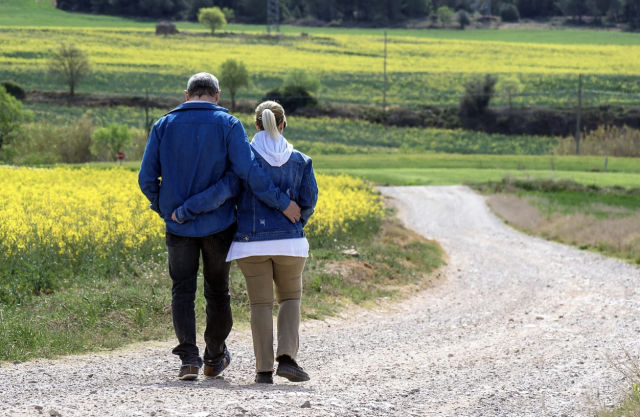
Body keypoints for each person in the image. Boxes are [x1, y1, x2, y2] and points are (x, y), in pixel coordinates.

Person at [138, 73, 301, 381]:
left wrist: (169, 211)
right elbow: (246, 173)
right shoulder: (229, 125)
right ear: (217, 95)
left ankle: (188, 360)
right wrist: (280, 202)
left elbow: (146, 179)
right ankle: (214, 358)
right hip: (219, 225)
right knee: (218, 292)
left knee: (182, 290)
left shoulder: (163, 125)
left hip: (178, 228)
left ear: (186, 95)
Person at [227, 101, 318, 384]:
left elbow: (231, 193)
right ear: (283, 124)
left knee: (260, 305)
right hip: (289, 245)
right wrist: (295, 225)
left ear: (256, 125)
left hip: (249, 244)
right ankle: (288, 358)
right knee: (290, 298)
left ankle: (263, 370)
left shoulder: (245, 160)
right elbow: (309, 201)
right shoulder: (301, 160)